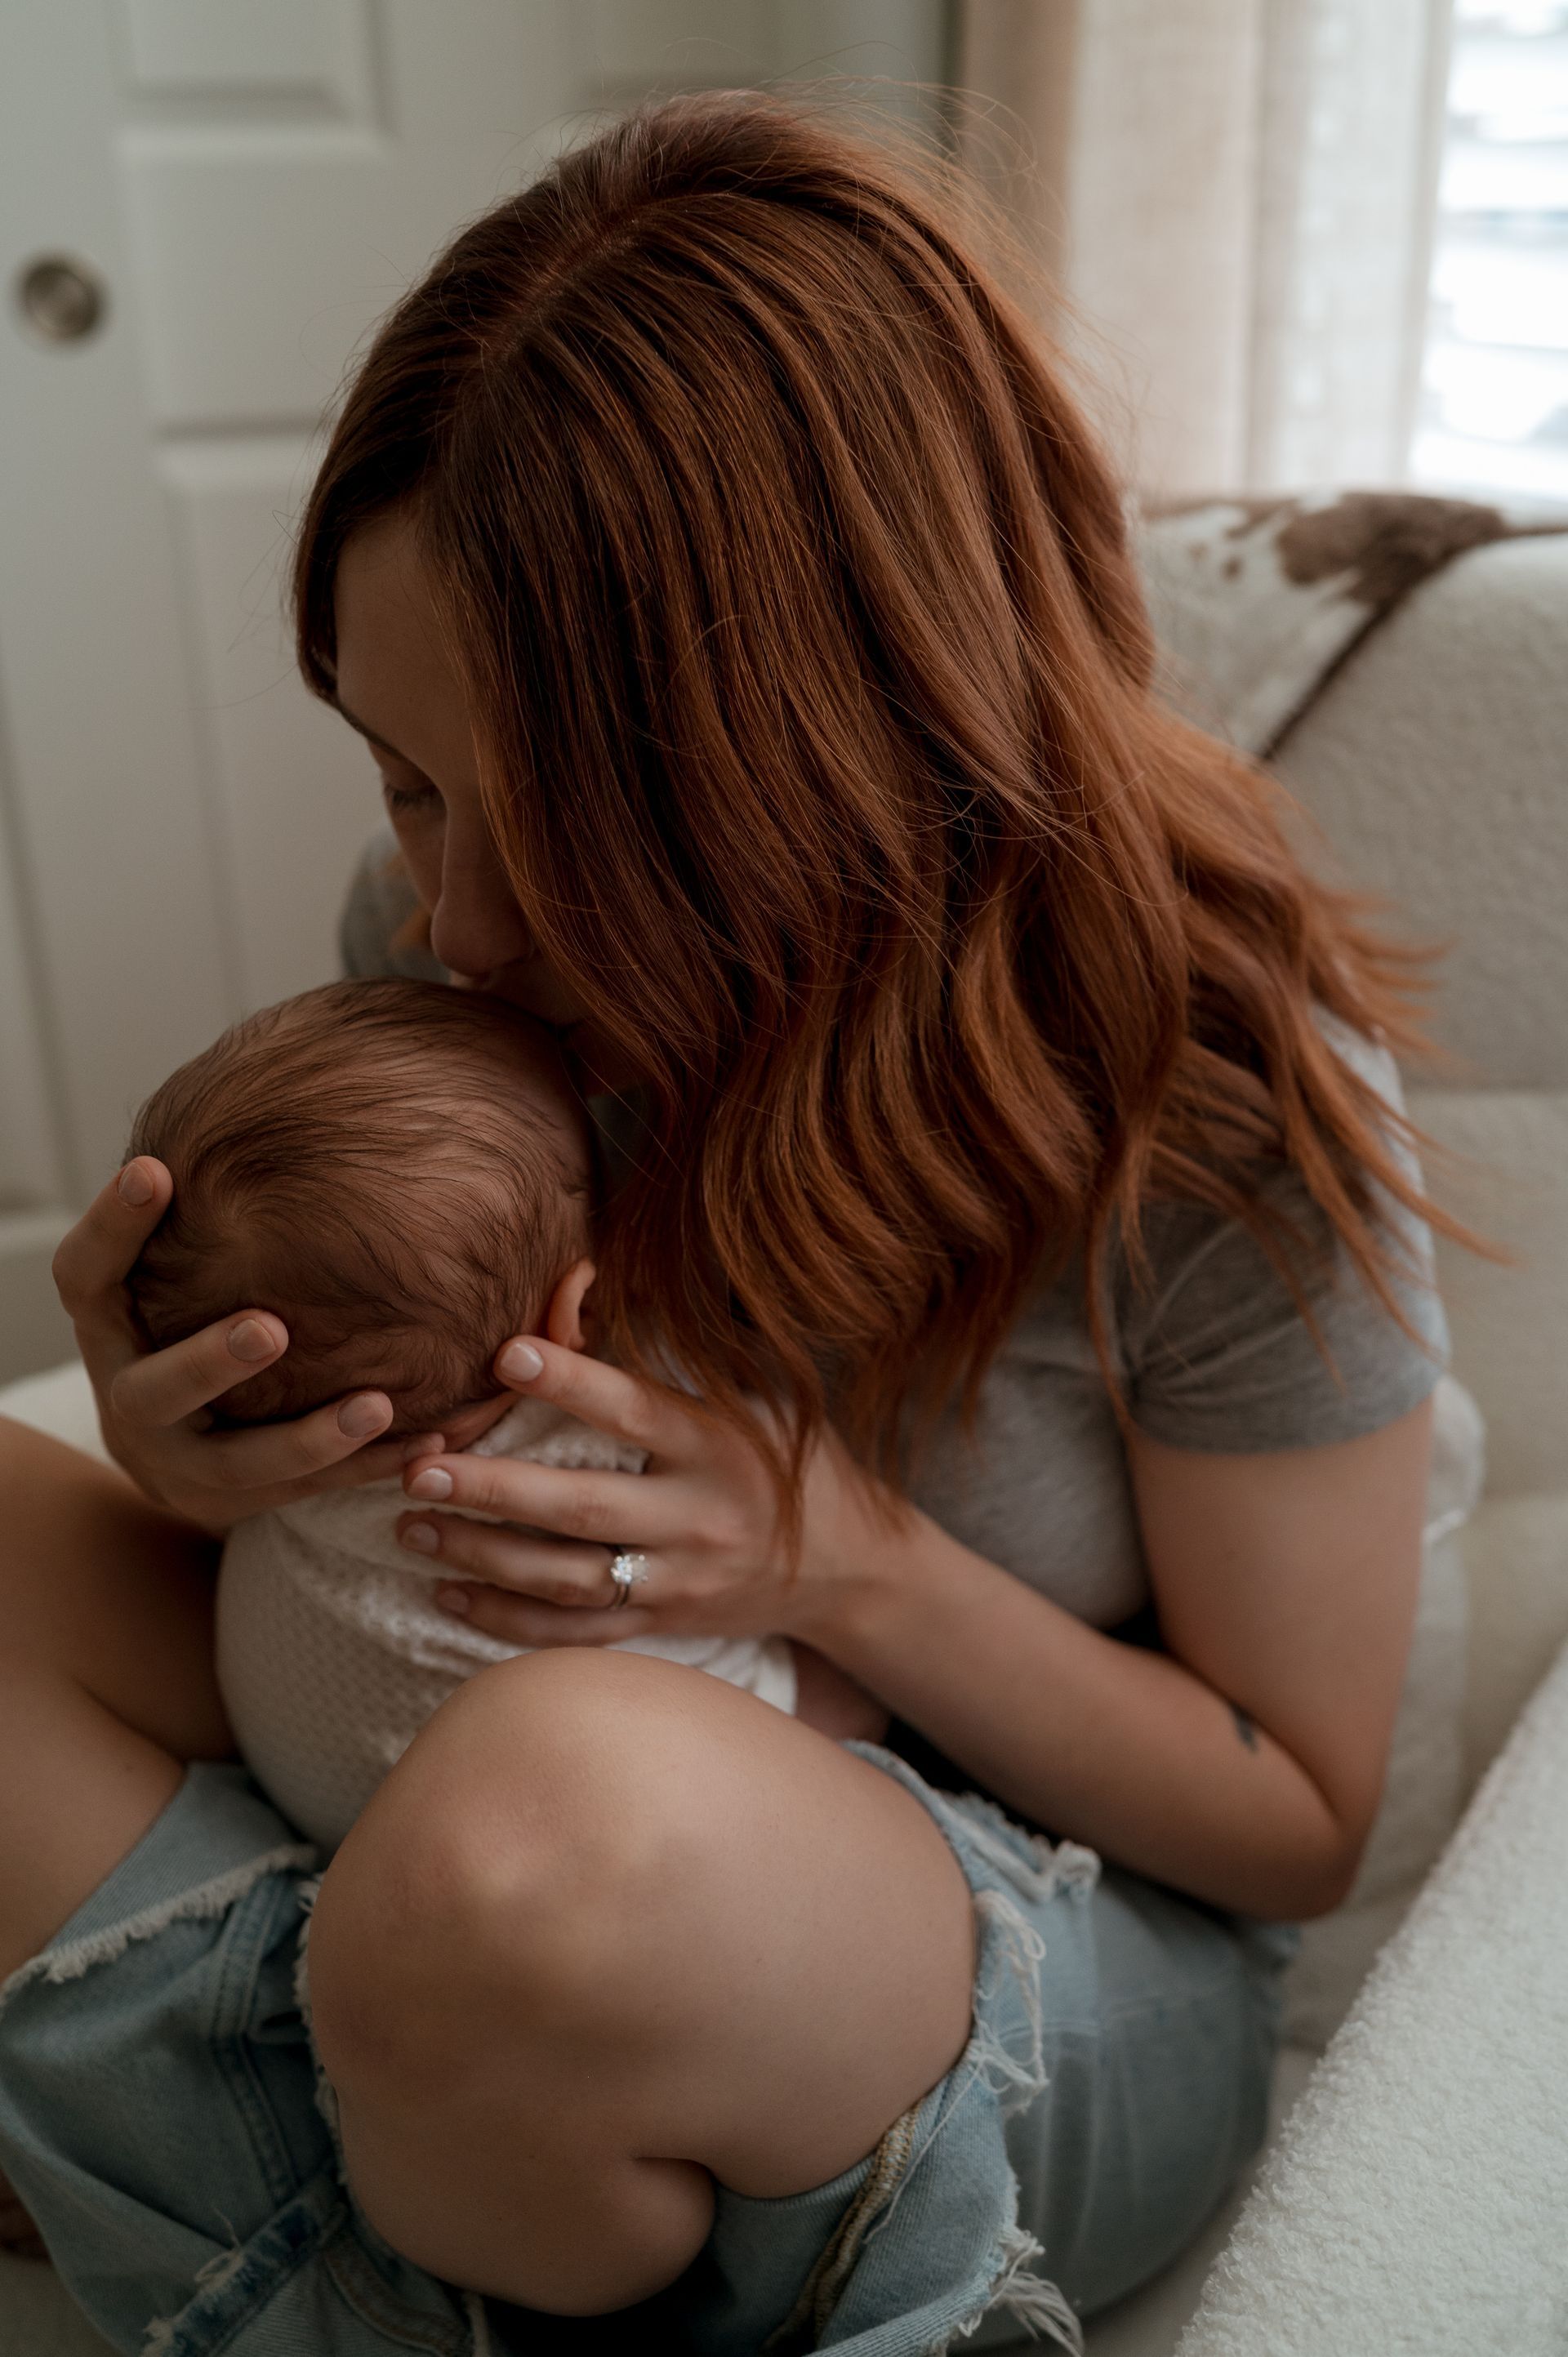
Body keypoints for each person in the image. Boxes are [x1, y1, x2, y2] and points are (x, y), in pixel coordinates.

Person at [0, 91, 1454, 2357]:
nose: (454, 922)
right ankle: (421, 2183)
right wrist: (212, 1462)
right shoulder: (467, 956)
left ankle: (318, 2164)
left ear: (847, 746)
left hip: (1030, 1933)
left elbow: (1296, 1824)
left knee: (525, 1834)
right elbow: (410, 1489)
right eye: (407, 784)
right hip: (478, 1831)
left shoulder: (1214, 1096)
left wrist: (835, 1559)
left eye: (570, 826)